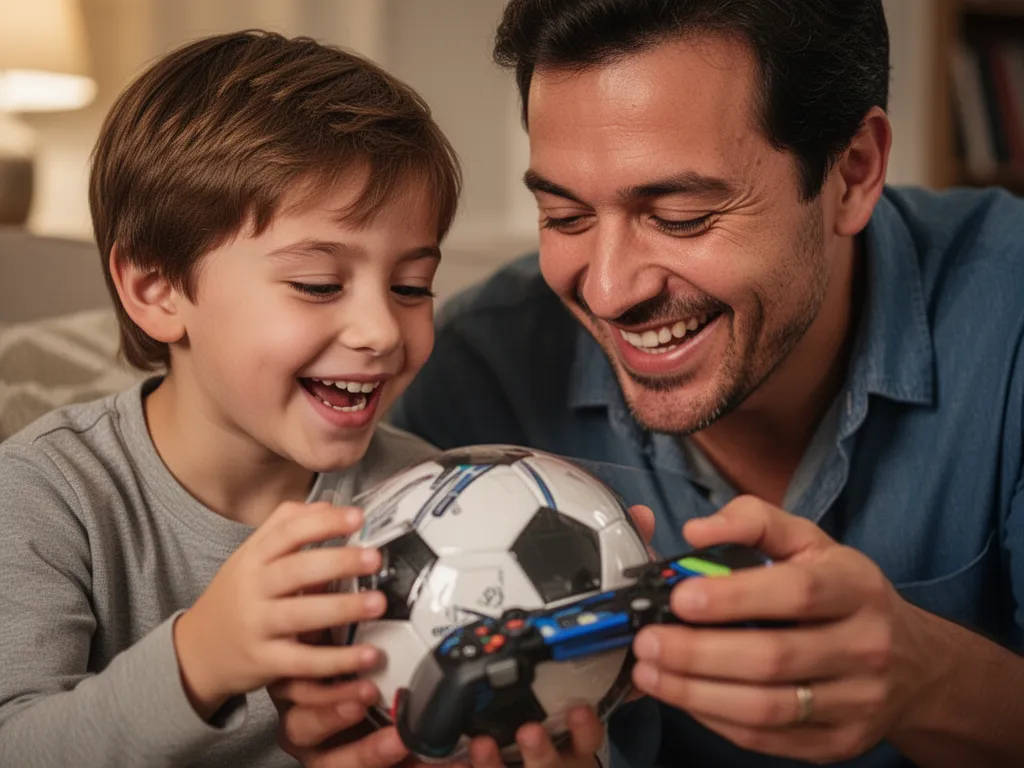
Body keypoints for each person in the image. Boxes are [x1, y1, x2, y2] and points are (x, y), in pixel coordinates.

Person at [383, 1, 1024, 766]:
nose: (612, 291)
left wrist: (930, 679)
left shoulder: (1009, 316)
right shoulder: (480, 374)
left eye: (681, 215)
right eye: (564, 214)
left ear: (852, 172)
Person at [0, 30, 467, 767]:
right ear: (156, 290)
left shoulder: (434, 506)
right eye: (318, 283)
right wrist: (200, 659)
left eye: (412, 286)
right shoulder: (43, 493)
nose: (382, 330)